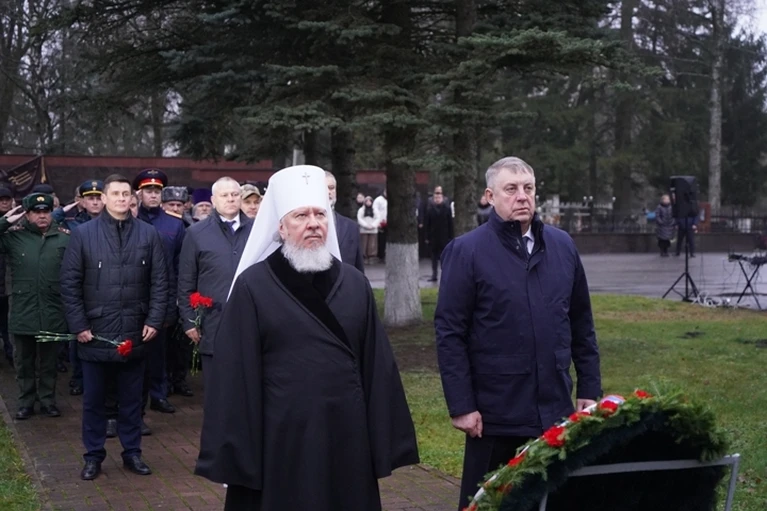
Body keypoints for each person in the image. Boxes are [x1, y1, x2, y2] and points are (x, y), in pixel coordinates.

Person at [195, 165, 419, 511]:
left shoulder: (355, 284)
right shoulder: (253, 286)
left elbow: (377, 368)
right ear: (281, 227)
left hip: (346, 434)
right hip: (280, 438)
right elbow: (235, 376)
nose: (313, 223)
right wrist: (238, 452)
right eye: (301, 216)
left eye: (320, 214)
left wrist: (383, 440)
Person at [434, 156, 601, 511]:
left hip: (553, 409)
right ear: (490, 196)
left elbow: (581, 323)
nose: (522, 196)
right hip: (496, 415)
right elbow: (450, 332)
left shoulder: (561, 246)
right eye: (511, 189)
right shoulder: (467, 251)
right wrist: (462, 405)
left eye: (528, 188)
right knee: (490, 504)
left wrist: (589, 387)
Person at [60, 174, 168, 481]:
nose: (121, 198)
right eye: (115, 193)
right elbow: (69, 283)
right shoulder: (83, 235)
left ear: (132, 199)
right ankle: (93, 455)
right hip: (95, 333)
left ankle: (132, 452)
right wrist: (79, 324)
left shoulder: (148, 234)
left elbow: (161, 281)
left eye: (126, 194)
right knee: (94, 401)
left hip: (135, 331)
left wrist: (154, 319)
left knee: (132, 401)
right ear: (104, 198)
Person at [177, 177, 253, 392]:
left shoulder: (257, 231)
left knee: (247, 388)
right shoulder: (196, 233)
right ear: (213, 200)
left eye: (235, 194)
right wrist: (189, 321)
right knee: (217, 390)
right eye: (224, 195)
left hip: (249, 321)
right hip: (212, 323)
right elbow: (186, 281)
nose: (230, 199)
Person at [0, 193, 70, 419]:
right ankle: (26, 402)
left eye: (46, 211)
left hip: (52, 308)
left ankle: (48, 400)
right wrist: (4, 221)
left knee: (49, 361)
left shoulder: (64, 238)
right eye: (36, 212)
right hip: (23, 308)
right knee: (24, 361)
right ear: (27, 215)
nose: (42, 216)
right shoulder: (14, 237)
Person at [135, 169, 185, 416]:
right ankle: (136, 398)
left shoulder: (174, 224)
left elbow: (178, 266)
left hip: (162, 296)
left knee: (159, 351)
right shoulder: (130, 220)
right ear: (139, 194)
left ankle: (158, 394)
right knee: (134, 352)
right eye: (148, 191)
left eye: (157, 191)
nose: (153, 195)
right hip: (134, 296)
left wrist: (174, 300)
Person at [325, 171, 364, 273]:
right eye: (323, 188)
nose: (328, 192)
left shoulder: (351, 227)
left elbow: (358, 268)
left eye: (331, 188)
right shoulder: (306, 226)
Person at [424, 186, 454, 282]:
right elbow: (427, 224)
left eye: (439, 197)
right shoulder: (430, 209)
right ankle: (434, 275)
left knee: (444, 257)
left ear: (442, 198)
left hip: (444, 237)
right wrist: (427, 236)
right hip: (433, 237)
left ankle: (445, 274)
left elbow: (450, 223)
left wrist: (451, 236)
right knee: (433, 257)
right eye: (436, 198)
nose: (437, 199)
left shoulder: (447, 209)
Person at [0, 187, 13, 367]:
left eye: (6, 199)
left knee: (9, 325)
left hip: (10, 283)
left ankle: (11, 355)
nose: (4, 202)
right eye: (0, 199)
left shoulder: (21, 221)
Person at [357, 196, 379, 263]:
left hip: (373, 230)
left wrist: (373, 225)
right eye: (367, 201)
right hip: (364, 230)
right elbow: (359, 218)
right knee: (364, 243)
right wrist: (366, 225)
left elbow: (378, 218)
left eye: (370, 201)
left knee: (372, 244)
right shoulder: (361, 210)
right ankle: (364, 257)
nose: (368, 202)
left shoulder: (375, 210)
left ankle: (371, 257)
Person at [373, 190, 387, 262]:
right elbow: (375, 211)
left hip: (390, 224)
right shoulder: (378, 200)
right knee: (381, 240)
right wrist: (378, 222)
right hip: (381, 223)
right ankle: (381, 256)